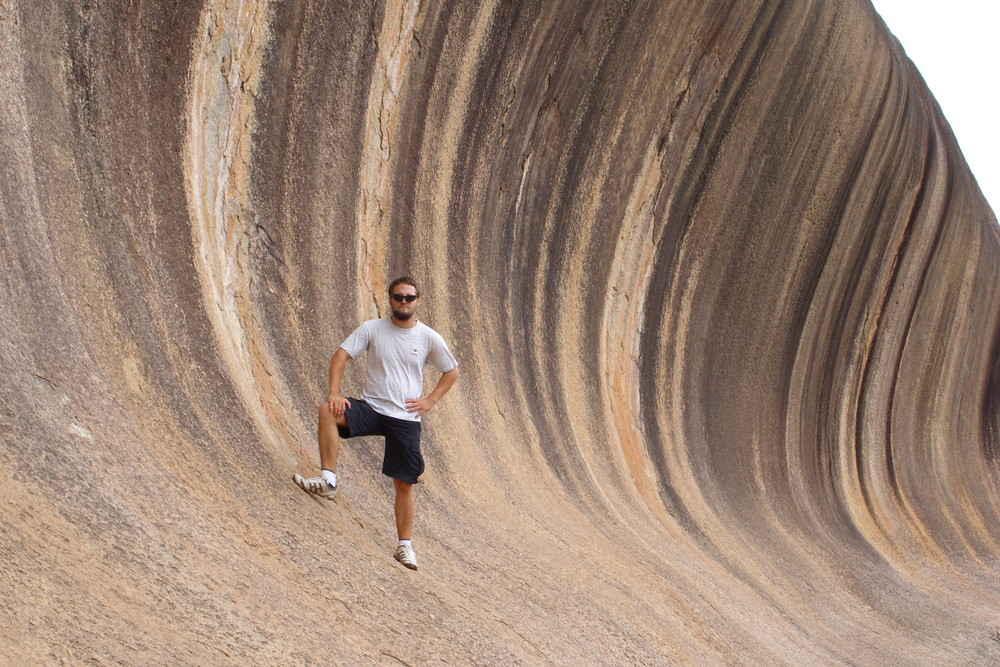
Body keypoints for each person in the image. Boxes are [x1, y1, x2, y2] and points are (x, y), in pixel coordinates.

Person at [293, 277, 459, 571]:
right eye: (398, 297)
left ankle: (404, 547)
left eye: (409, 297)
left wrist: (430, 401)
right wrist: (334, 393)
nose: (403, 302)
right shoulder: (373, 329)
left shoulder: (428, 337)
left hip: (405, 417)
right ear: (390, 300)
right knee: (328, 411)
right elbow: (341, 355)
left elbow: (451, 371)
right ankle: (328, 482)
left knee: (404, 484)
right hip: (372, 407)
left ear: (418, 301)